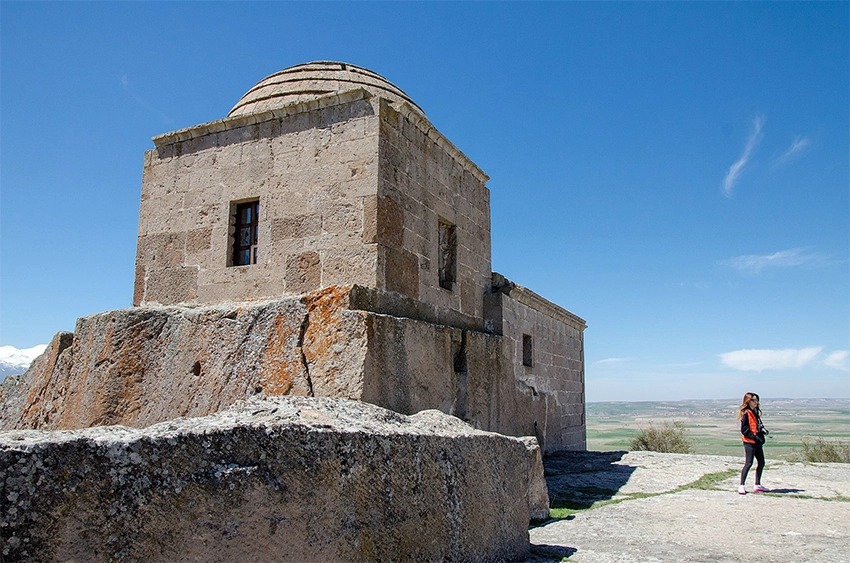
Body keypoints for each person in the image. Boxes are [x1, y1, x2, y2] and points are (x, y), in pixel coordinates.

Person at [737, 392, 768, 494]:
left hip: (757, 441)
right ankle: (741, 485)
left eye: (757, 400)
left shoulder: (755, 412)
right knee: (748, 463)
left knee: (761, 462)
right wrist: (753, 437)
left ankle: (757, 484)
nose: (756, 402)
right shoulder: (746, 413)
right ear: (748, 401)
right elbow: (744, 430)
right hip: (749, 442)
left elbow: (756, 425)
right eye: (754, 400)